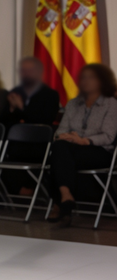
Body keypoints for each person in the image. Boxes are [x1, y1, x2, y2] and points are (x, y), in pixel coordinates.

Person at [48, 63, 117, 226]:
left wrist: (84, 140)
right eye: (83, 77)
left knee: (59, 155)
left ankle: (59, 202)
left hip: (99, 151)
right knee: (59, 148)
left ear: (102, 81)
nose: (86, 81)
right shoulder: (73, 104)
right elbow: (61, 130)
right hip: (71, 149)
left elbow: (108, 136)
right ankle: (66, 196)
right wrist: (64, 136)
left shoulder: (111, 104)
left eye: (91, 77)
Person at [2, 56, 61, 128]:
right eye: (23, 70)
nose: (26, 74)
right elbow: (2, 122)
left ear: (39, 72)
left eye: (30, 70)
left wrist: (21, 107)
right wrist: (11, 108)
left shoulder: (51, 95)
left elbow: (45, 121)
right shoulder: (15, 92)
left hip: (38, 136)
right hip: (12, 136)